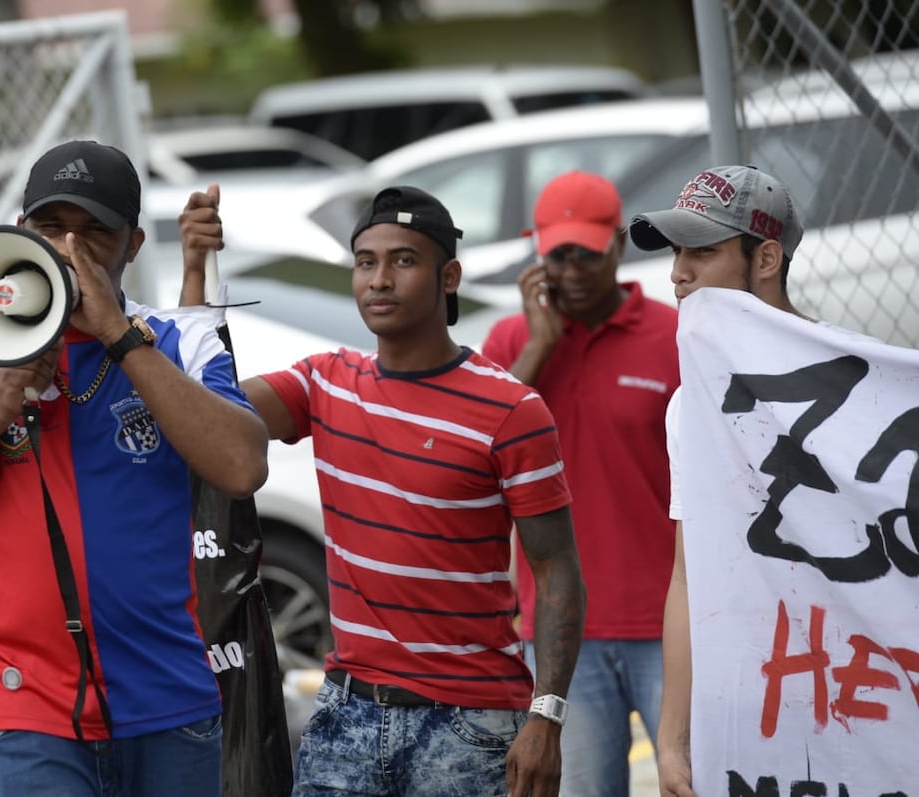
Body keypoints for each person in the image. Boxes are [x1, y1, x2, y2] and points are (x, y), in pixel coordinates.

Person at [0, 140, 269, 797]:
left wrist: (120, 338)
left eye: (93, 231)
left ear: (131, 245)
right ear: (20, 234)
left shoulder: (175, 338)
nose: (70, 247)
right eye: (51, 228)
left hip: (169, 704)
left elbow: (242, 464)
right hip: (21, 714)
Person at [181, 185, 586, 797]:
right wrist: (195, 274)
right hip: (346, 714)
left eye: (403, 260)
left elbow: (557, 570)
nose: (379, 279)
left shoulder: (512, 410)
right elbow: (209, 419)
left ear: (448, 275)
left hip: (470, 724)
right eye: (366, 261)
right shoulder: (324, 383)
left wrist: (547, 717)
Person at [480, 170, 679, 797]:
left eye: (586, 253)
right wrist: (539, 348)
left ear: (618, 245)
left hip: (670, 620)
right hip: (566, 633)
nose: (571, 270)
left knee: (693, 780)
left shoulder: (673, 336)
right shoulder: (512, 343)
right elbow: (476, 455)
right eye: (556, 254)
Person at [626, 164, 807, 797]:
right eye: (676, 253)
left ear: (766, 258)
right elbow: (687, 574)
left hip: (855, 693)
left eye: (701, 252)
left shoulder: (861, 389)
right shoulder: (690, 406)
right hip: (742, 701)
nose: (678, 274)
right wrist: (673, 740)